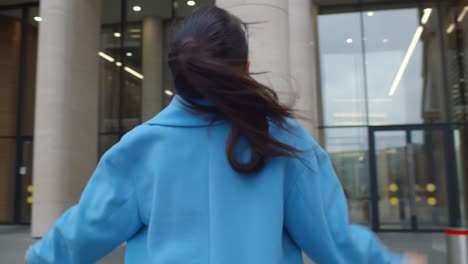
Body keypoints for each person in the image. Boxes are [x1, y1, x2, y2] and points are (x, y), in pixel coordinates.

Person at [26, 6, 427, 264]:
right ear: (246, 66)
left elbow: (83, 234)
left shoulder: (138, 149)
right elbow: (334, 242)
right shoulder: (285, 142)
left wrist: (40, 256)